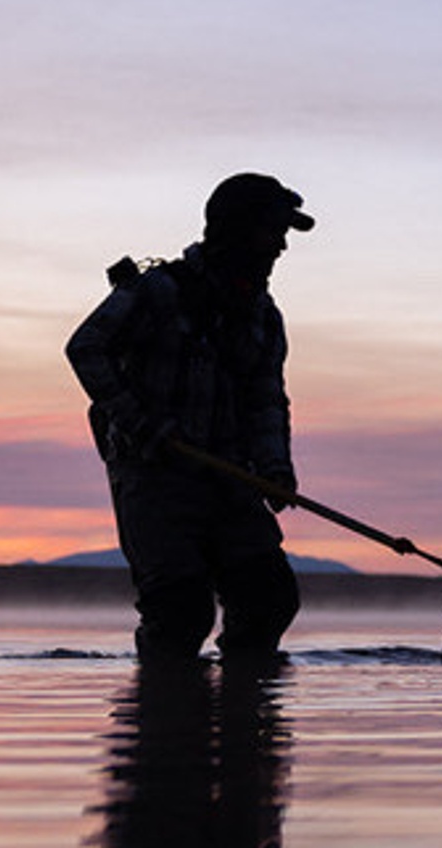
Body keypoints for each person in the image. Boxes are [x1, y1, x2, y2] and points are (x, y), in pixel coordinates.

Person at [66, 173, 313, 662]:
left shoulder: (267, 318)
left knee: (269, 599)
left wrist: (275, 470)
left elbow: (268, 401)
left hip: (232, 480)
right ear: (236, 231)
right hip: (154, 479)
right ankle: (164, 721)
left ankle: (247, 718)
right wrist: (143, 424)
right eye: (273, 232)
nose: (282, 246)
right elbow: (86, 348)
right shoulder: (158, 291)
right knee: (179, 611)